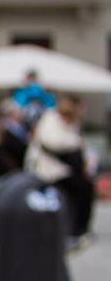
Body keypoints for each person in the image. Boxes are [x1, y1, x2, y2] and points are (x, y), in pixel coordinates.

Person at [26, 95, 95, 245]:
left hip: (64, 169)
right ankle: (77, 228)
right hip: (50, 171)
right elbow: (55, 141)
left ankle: (79, 227)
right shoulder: (51, 120)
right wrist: (75, 143)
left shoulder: (68, 123)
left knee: (85, 187)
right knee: (82, 189)